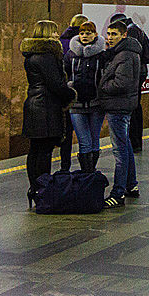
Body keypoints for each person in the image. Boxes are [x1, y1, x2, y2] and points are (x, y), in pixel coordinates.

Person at [21, 20, 76, 207]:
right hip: (45, 107)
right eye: (54, 32)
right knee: (44, 152)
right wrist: (71, 94)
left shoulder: (32, 55)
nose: (56, 35)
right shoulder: (46, 56)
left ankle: (34, 188)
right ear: (46, 34)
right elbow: (55, 85)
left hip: (34, 105)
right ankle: (42, 190)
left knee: (35, 150)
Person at [95, 19, 142, 208]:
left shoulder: (125, 55)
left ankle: (118, 192)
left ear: (124, 35)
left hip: (118, 106)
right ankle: (131, 185)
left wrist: (102, 86)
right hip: (122, 105)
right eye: (109, 34)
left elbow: (122, 83)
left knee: (119, 150)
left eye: (114, 34)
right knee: (126, 146)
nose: (110, 38)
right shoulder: (124, 53)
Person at [63, 21, 106, 172]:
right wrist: (69, 86)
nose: (85, 36)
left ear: (95, 34)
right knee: (84, 141)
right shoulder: (71, 55)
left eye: (88, 33)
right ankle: (88, 174)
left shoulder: (102, 55)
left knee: (94, 140)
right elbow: (64, 73)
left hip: (96, 104)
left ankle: (90, 173)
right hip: (76, 105)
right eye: (82, 33)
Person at [109, 13, 149, 153]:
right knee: (135, 106)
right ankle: (135, 142)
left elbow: (130, 55)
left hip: (134, 72)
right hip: (140, 72)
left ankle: (133, 142)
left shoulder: (130, 31)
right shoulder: (138, 29)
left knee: (131, 107)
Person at [58, 14, 88, 170]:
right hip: (79, 93)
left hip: (64, 93)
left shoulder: (61, 42)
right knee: (85, 134)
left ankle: (64, 166)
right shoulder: (81, 44)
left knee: (66, 133)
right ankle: (87, 169)